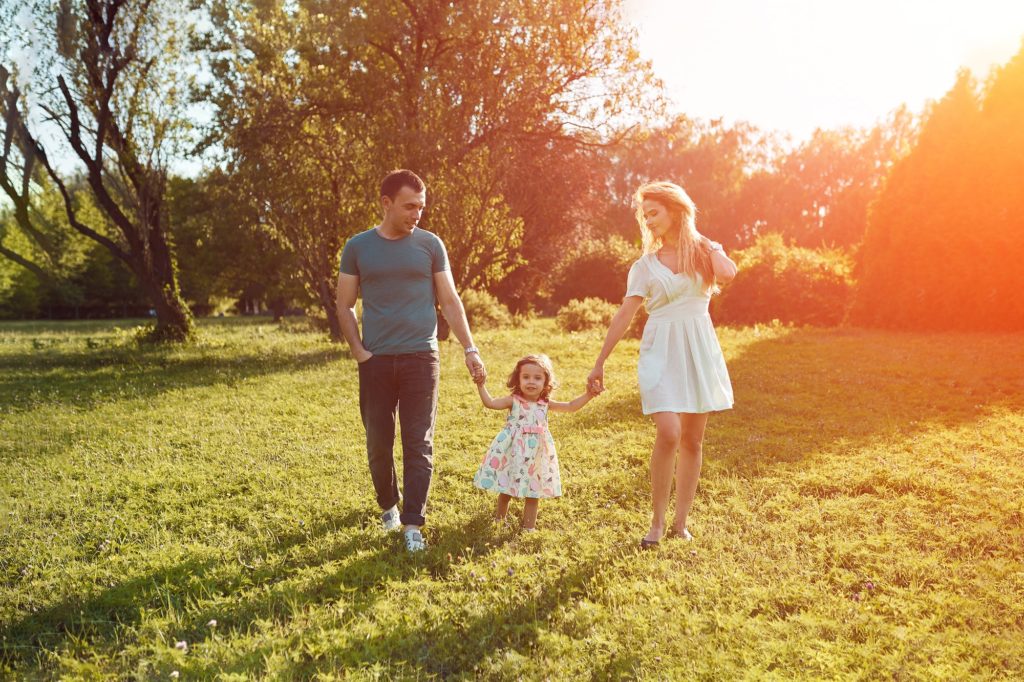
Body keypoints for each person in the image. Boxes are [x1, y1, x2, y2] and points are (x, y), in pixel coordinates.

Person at [337, 169, 486, 553]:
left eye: (420, 207)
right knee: (379, 443)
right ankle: (388, 504)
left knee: (418, 442)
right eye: (409, 206)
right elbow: (344, 304)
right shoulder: (358, 247)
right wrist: (360, 352)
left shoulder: (430, 244)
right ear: (386, 203)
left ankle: (412, 523)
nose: (416, 214)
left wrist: (470, 348)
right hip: (376, 362)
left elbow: (449, 300)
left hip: (422, 357)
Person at [587, 181, 738, 549]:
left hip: (698, 348)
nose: (648, 221)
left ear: (676, 211)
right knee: (669, 432)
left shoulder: (702, 253)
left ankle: (680, 523)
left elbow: (729, 272)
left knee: (693, 439)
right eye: (645, 214)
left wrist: (700, 237)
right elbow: (625, 314)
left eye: (654, 212)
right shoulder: (644, 267)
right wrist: (600, 362)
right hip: (660, 349)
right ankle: (656, 522)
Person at [473, 354, 596, 531]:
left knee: (534, 490)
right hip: (513, 451)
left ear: (546, 382)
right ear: (518, 379)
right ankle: (500, 520)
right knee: (506, 487)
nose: (531, 382)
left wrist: (589, 395)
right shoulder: (514, 401)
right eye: (526, 377)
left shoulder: (545, 404)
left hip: (537, 453)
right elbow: (490, 403)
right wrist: (481, 385)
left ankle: (528, 528)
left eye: (537, 378)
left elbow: (570, 406)